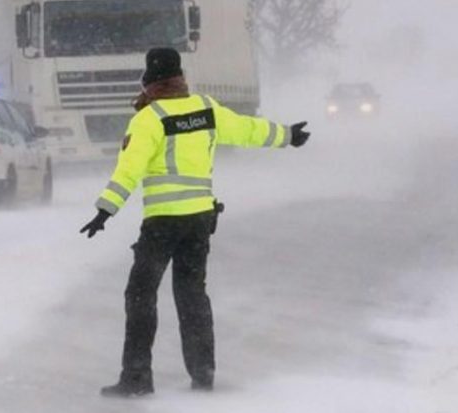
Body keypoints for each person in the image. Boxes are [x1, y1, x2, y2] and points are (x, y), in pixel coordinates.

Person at [80, 47, 311, 397]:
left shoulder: (149, 118)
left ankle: (137, 377)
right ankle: (203, 373)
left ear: (149, 79)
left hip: (163, 224)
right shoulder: (205, 109)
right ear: (179, 76)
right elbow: (247, 130)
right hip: (200, 221)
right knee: (192, 295)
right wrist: (288, 136)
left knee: (141, 295)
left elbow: (129, 171)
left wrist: (104, 211)